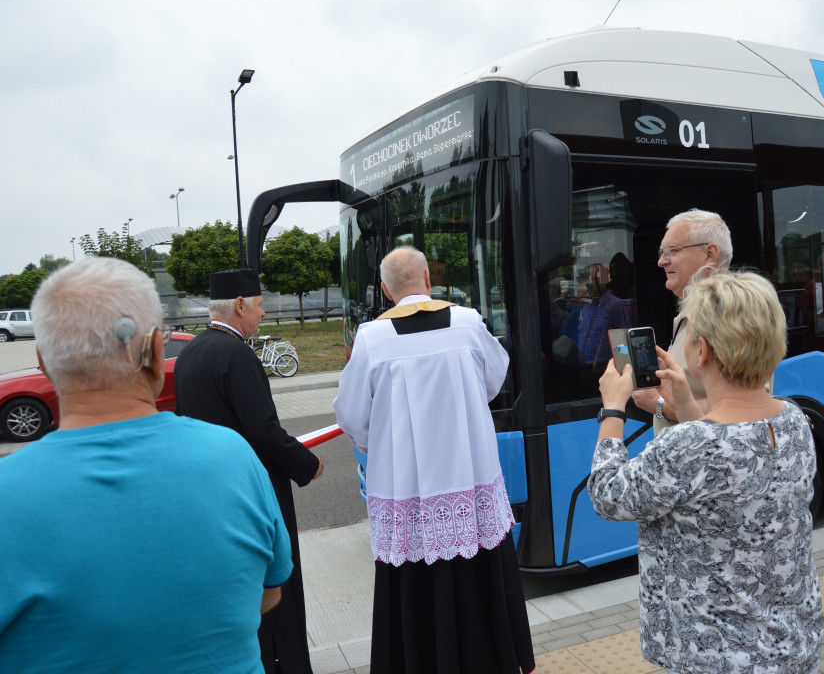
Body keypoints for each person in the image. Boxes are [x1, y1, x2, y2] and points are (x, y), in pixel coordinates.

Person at [0, 257, 291, 674]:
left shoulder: (7, 495)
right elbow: (267, 594)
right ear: (157, 352)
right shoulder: (234, 457)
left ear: (44, 362)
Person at [589, 271, 823, 674]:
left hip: (716, 657)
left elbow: (609, 495)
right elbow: (725, 459)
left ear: (703, 352)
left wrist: (613, 408)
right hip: (790, 643)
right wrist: (685, 404)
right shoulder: (794, 419)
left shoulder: (687, 446)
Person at [333, 246, 534, 674]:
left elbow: (351, 415)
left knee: (415, 580)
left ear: (385, 290)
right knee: (478, 573)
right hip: (471, 474)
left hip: (404, 484)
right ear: (429, 279)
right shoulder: (468, 322)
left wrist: (379, 446)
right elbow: (494, 381)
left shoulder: (371, 338)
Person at [173, 268, 324, 674]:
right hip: (253, 491)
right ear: (240, 305)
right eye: (258, 307)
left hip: (212, 491)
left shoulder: (191, 351)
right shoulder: (236, 354)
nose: (261, 317)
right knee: (275, 585)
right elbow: (264, 431)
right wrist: (307, 464)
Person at [631, 208, 733, 433]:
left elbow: (740, 409)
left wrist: (658, 405)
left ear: (709, 254)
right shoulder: (694, 312)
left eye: (672, 251)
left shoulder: (729, 315)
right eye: (661, 252)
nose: (660, 262)